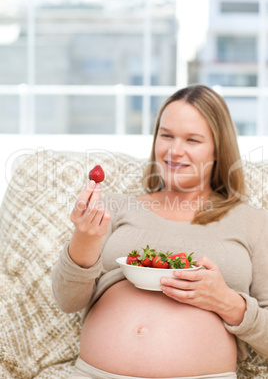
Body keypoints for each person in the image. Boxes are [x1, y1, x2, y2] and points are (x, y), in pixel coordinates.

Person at [52, 84, 268, 379]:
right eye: (166, 135)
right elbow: (67, 301)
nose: (174, 151)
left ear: (219, 148)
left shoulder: (254, 223)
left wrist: (229, 303)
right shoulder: (113, 208)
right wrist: (84, 237)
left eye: (192, 140)